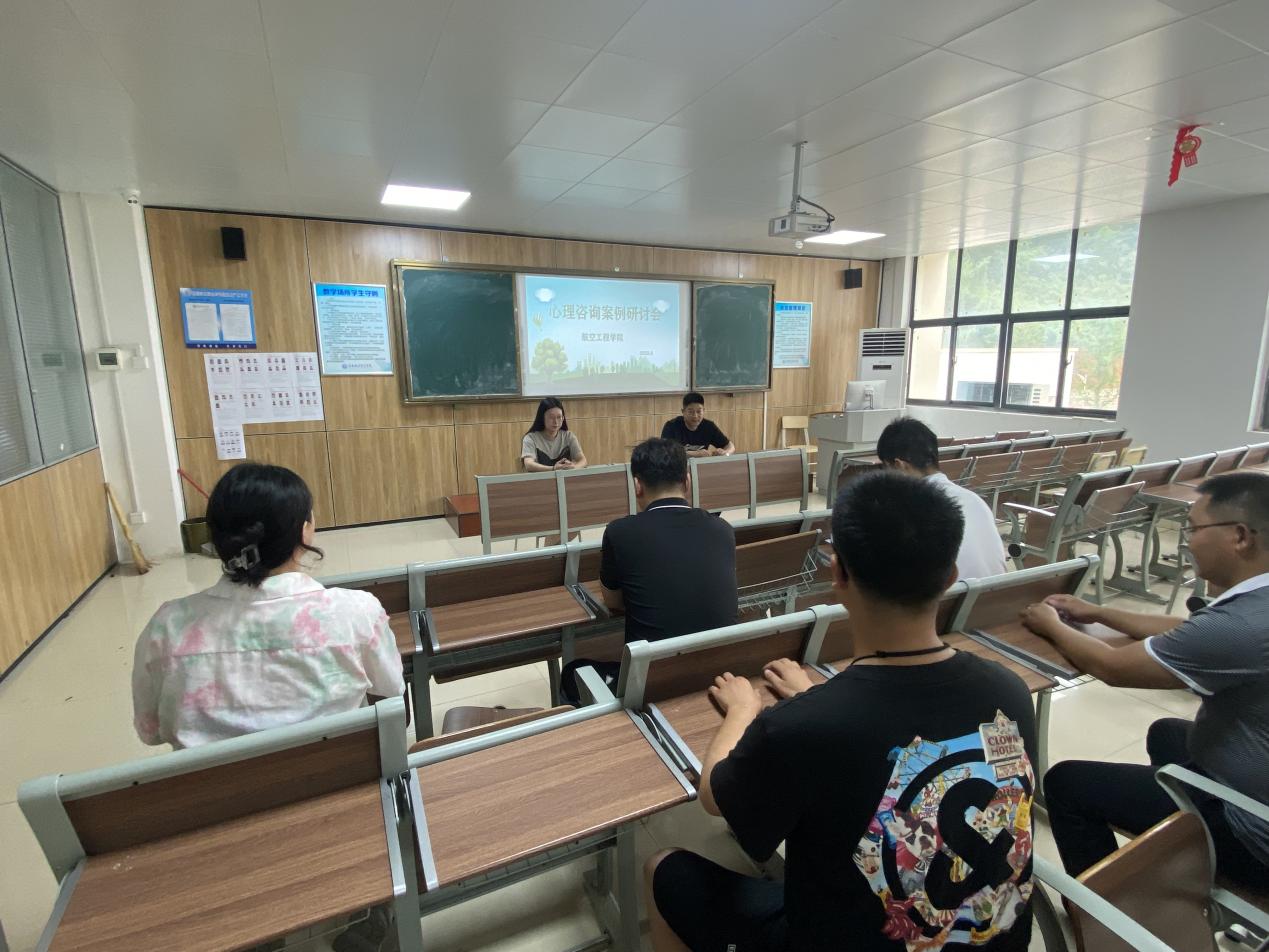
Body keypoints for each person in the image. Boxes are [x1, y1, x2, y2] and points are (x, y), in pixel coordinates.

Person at [647, 471, 1038, 952]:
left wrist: (742, 711)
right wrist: (817, 698)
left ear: (838, 573)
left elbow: (714, 796)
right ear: (951, 577)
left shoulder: (798, 729)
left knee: (661, 867)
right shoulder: (1010, 691)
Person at [1019, 471, 1269, 888]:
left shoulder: (1242, 626)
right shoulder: (1255, 602)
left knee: (1067, 783)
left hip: (1252, 829)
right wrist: (1098, 612)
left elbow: (1114, 668)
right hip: (1250, 774)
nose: (1187, 541)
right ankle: (1174, 846)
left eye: (1194, 529)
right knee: (1166, 732)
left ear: (1240, 536)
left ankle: (1104, 909)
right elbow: (1188, 630)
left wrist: (1052, 625)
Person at [131, 463, 405, 750]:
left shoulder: (168, 626)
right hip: (340, 773)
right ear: (304, 531)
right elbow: (391, 687)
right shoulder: (354, 613)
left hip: (214, 780)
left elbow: (150, 731)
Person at [561, 438, 736, 704]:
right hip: (718, 678)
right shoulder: (722, 530)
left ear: (637, 486)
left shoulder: (620, 532)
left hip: (650, 684)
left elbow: (613, 602)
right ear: (687, 482)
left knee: (571, 672)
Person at [876, 416, 1008, 580]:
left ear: (899, 465)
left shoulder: (910, 511)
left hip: (953, 595)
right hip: (999, 593)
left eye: (885, 469)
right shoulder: (975, 500)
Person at [521, 396, 587, 472]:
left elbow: (583, 461)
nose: (555, 422)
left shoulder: (569, 436)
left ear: (563, 418)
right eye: (551, 417)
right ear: (542, 418)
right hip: (541, 478)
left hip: (565, 478)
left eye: (559, 417)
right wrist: (553, 469)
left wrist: (574, 467)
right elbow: (529, 465)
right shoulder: (530, 438)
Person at [661, 391, 735, 458]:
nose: (695, 416)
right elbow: (664, 452)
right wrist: (696, 454)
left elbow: (730, 446)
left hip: (700, 467)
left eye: (699, 411)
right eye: (690, 412)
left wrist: (725, 453)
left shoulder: (709, 426)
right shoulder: (671, 426)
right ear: (683, 412)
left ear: (703, 411)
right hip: (678, 467)